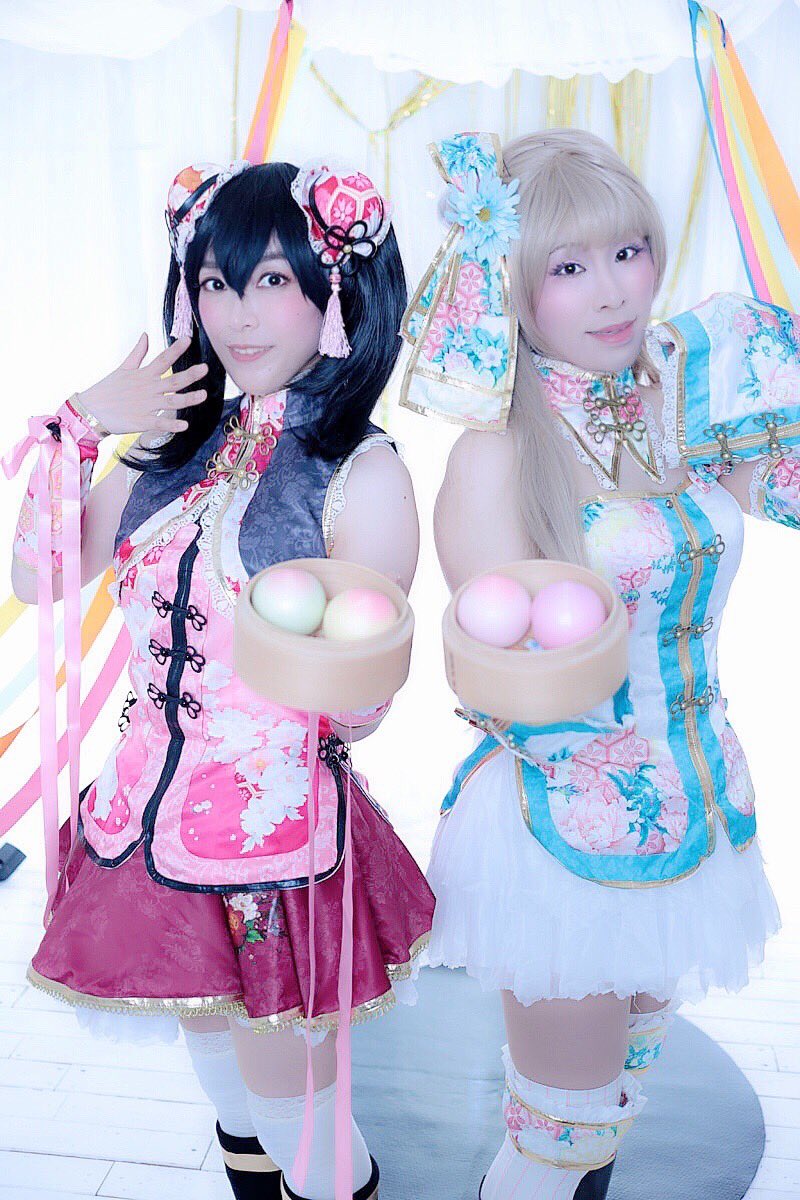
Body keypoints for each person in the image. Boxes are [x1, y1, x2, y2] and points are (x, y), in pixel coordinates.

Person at [8, 157, 434, 1200]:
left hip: (275, 840)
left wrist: (330, 667)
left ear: (338, 291)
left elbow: (364, 704)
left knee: (295, 1105)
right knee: (221, 1070)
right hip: (142, 820)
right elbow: (38, 575)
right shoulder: (173, 448)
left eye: (273, 280)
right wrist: (81, 422)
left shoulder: (363, 471)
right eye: (213, 282)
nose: (236, 313)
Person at [402, 129, 795, 1199]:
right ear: (512, 288)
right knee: (557, 1136)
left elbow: (783, 491)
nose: (614, 289)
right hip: (564, 823)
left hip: (702, 797)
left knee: (613, 1105)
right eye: (568, 267)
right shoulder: (495, 452)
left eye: (627, 250)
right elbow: (491, 670)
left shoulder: (689, 398)